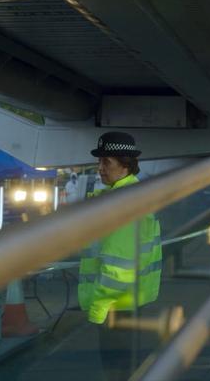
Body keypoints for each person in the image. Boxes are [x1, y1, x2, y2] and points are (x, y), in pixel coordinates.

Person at [78, 132, 161, 381]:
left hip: (115, 303)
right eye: (100, 162)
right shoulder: (130, 193)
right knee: (127, 366)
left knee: (117, 370)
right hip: (128, 299)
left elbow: (119, 265)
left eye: (107, 162)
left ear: (125, 165)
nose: (100, 168)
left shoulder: (123, 203)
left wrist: (98, 310)